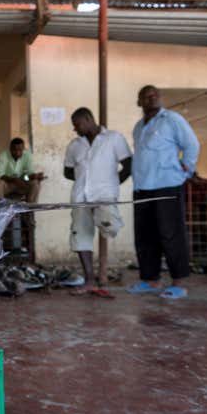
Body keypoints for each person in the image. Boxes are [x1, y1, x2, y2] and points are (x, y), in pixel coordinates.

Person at [126, 85, 200, 299]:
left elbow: (191, 145)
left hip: (167, 185)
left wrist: (185, 171)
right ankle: (150, 280)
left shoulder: (172, 119)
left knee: (171, 234)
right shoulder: (139, 127)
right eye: (146, 96)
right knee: (145, 236)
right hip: (142, 188)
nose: (152, 98)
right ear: (139, 102)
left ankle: (178, 283)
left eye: (155, 95)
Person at [63, 108, 132, 298]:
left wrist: (112, 183)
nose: (75, 129)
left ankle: (100, 273)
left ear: (88, 119)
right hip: (80, 197)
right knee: (81, 236)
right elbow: (67, 172)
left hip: (104, 195)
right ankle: (90, 281)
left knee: (110, 225)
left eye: (77, 125)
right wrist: (84, 177)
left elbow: (128, 165)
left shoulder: (113, 138)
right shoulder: (75, 145)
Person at [0, 138, 45, 203]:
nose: (17, 153)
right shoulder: (3, 156)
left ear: (23, 149)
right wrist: (14, 180)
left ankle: (30, 209)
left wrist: (35, 176)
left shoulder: (27, 156)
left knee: (35, 183)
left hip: (22, 183)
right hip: (7, 184)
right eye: (14, 150)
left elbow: (28, 175)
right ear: (10, 149)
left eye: (20, 150)